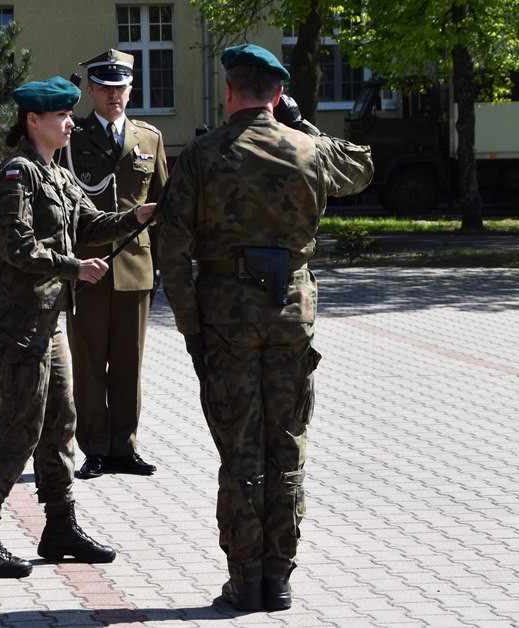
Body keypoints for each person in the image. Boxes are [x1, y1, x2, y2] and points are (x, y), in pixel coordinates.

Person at [157, 44, 374, 612]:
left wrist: (191, 330)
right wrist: (302, 124)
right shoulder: (309, 149)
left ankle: (244, 577)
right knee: (287, 446)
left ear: (228, 90)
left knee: (240, 449)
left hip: (225, 320)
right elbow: (362, 166)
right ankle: (279, 578)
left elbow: (173, 254)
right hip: (289, 315)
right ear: (277, 94)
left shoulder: (201, 155)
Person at [0, 76, 156, 579]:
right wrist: (75, 268)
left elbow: (89, 224)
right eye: (61, 117)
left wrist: (139, 215)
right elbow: (17, 248)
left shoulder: (57, 174)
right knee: (20, 431)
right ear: (33, 121)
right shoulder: (16, 176)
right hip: (21, 324)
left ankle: (60, 527)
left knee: (61, 425)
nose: (71, 123)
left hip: (51, 322)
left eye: (69, 116)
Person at [60, 49, 168, 480]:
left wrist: (162, 268)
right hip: (87, 268)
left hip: (136, 269)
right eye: (105, 87)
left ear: (130, 89)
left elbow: (164, 209)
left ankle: (124, 447)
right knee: (89, 364)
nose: (114, 95)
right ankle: (95, 448)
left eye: (120, 87)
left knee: (129, 364)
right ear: (90, 91)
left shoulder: (149, 139)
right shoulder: (73, 136)